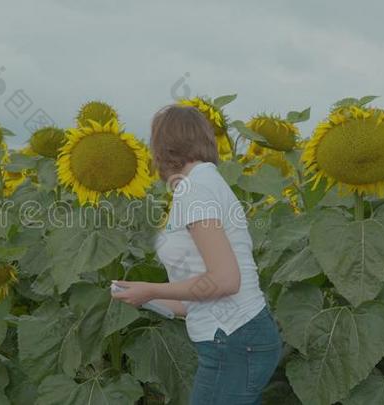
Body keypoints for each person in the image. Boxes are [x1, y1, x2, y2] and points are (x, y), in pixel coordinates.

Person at [112, 104, 283, 404]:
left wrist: (151, 287)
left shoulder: (195, 190)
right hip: (239, 336)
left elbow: (226, 280)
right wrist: (145, 297)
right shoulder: (206, 184)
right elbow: (200, 296)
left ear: (163, 148)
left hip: (232, 339)